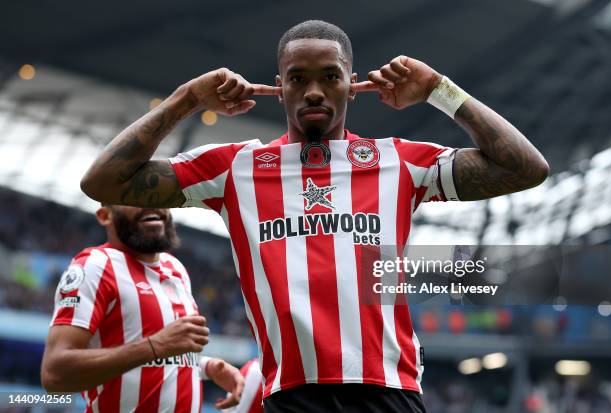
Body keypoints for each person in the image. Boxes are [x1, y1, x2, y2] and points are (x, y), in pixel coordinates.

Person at [79, 19, 549, 412]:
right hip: (291, 395)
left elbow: (525, 168)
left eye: (330, 76)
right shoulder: (233, 167)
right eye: (298, 78)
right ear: (278, 86)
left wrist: (436, 90)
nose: (315, 91)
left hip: (390, 392)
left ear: (352, 84)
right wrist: (187, 98)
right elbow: (103, 183)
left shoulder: (400, 162)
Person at [40, 204, 244, 412]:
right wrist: (153, 346)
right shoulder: (96, 265)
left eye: (157, 195)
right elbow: (55, 373)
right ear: (105, 216)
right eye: (134, 196)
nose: (150, 202)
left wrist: (207, 367)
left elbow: (156, 359)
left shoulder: (176, 269)